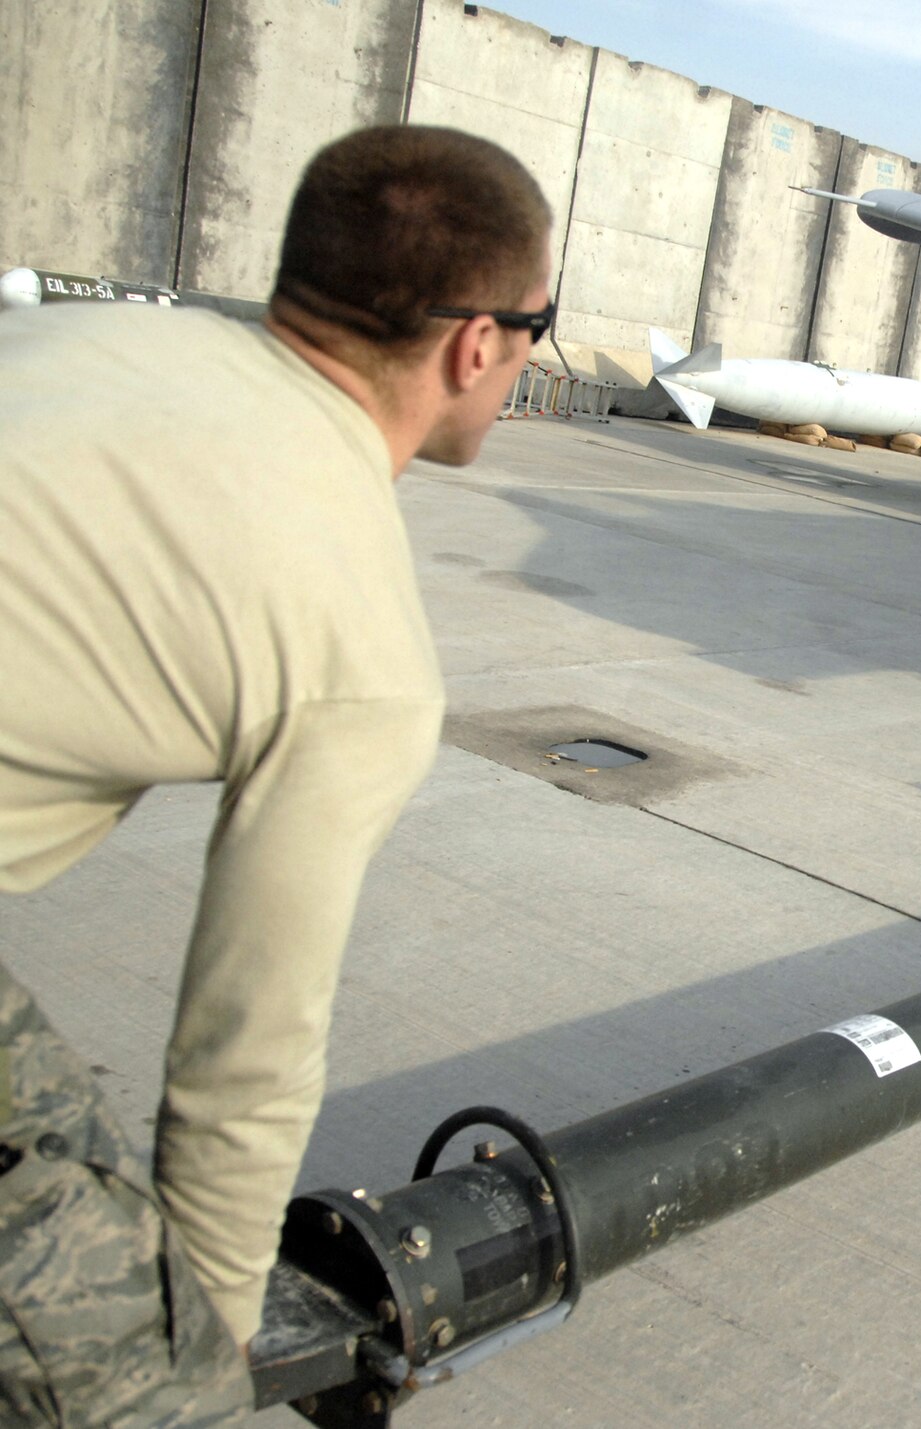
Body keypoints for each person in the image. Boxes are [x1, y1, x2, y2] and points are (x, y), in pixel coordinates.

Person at [0, 125, 552, 1423]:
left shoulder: (83, 340)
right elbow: (243, 1060)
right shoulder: (361, 651)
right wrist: (206, 1348)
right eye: (540, 326)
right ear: (478, 343)